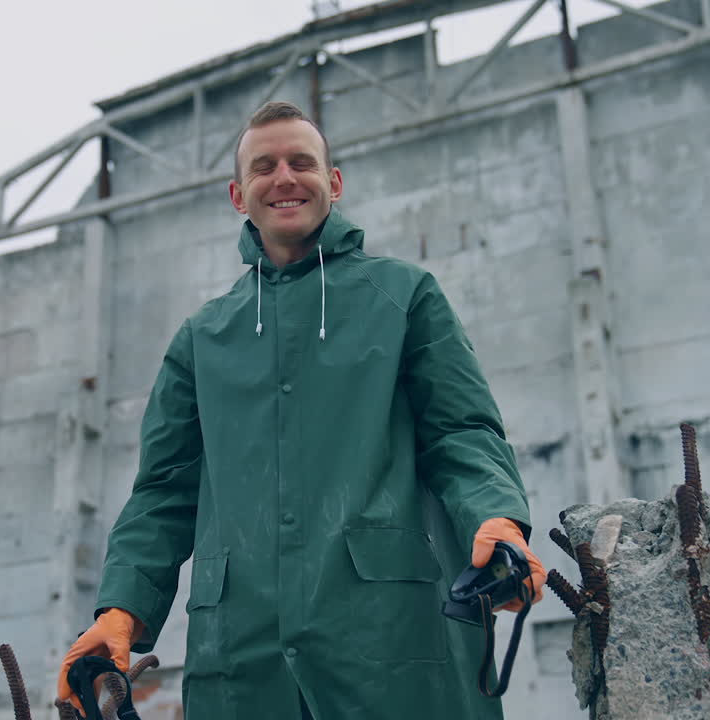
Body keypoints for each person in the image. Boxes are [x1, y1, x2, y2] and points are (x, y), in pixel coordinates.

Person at [55, 101, 547, 719]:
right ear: (239, 195)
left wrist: (498, 517)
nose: (284, 177)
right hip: (241, 653)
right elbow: (163, 493)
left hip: (389, 638)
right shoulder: (201, 339)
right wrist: (120, 611)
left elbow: (462, 433)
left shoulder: (403, 297)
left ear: (333, 184)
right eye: (265, 167)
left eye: (301, 162)